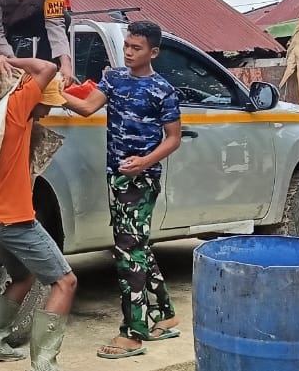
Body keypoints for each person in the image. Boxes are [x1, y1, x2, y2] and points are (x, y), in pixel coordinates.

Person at [61, 20, 183, 360]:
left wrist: (144, 162)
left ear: (153, 52)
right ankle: (166, 314)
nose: (128, 52)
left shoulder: (163, 90)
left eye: (136, 48)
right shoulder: (113, 79)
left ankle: (134, 333)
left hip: (142, 180)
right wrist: (53, 92)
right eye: (127, 46)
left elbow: (173, 138)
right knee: (136, 245)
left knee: (128, 251)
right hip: (116, 176)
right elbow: (86, 108)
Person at [0, 56, 77, 371]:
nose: (50, 110)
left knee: (23, 276)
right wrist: (6, 59)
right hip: (14, 220)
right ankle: (45, 363)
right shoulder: (18, 111)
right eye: (48, 103)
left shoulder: (0, 115)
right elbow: (47, 68)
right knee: (65, 282)